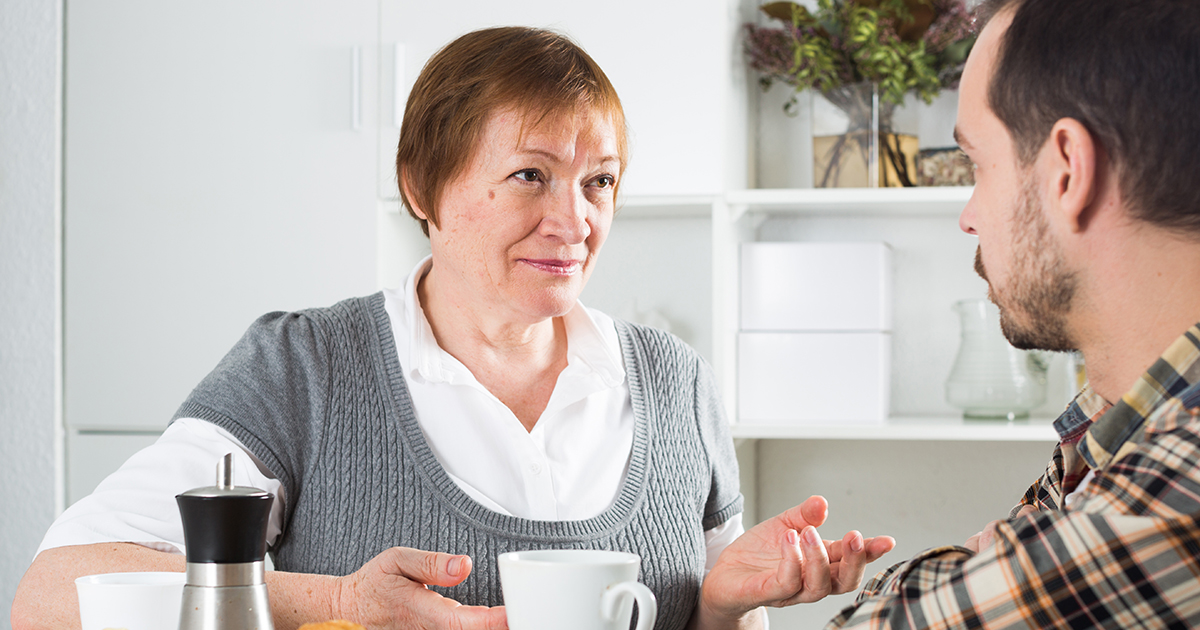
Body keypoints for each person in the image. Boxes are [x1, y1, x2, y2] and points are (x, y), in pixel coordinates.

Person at [13, 26, 895, 630]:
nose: (575, 222)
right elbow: (52, 596)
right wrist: (337, 603)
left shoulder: (674, 380)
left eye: (600, 182)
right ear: (421, 187)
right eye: (530, 176)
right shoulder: (304, 368)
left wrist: (724, 606)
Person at [826, 0, 1200, 627]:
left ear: (1067, 172)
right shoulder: (1117, 426)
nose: (968, 216)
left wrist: (978, 562)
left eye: (977, 164)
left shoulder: (1180, 485)